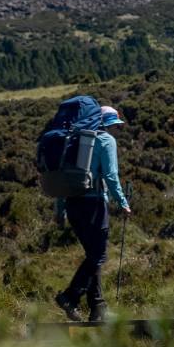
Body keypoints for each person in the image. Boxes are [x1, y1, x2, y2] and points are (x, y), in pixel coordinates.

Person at [53, 105, 131, 323]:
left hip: (73, 205)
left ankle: (98, 308)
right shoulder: (106, 140)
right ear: (106, 124)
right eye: (115, 126)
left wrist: (60, 211)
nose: (117, 131)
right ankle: (70, 296)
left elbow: (63, 179)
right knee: (98, 256)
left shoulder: (75, 141)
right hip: (94, 204)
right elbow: (111, 175)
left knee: (93, 257)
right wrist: (123, 203)